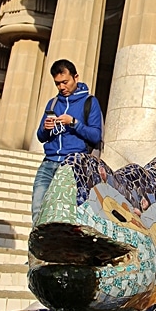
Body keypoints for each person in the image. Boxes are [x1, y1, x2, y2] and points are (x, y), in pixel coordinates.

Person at [32, 59, 102, 224]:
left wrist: (74, 123)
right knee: (37, 209)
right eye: (57, 84)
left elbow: (95, 136)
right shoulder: (53, 103)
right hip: (48, 163)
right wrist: (45, 128)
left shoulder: (90, 102)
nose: (62, 87)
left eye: (65, 82)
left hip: (72, 164)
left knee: (64, 215)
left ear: (75, 78)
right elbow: (41, 137)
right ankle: (39, 247)